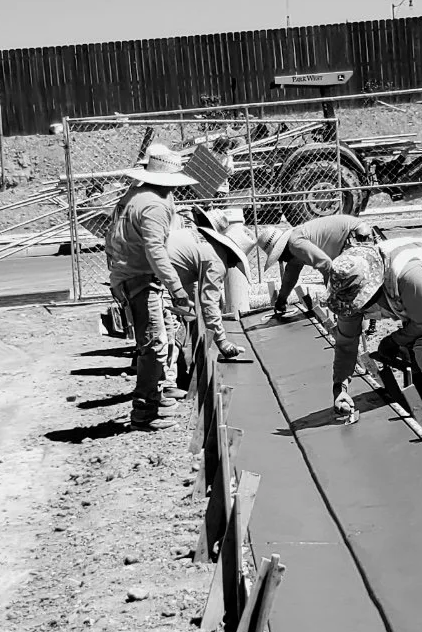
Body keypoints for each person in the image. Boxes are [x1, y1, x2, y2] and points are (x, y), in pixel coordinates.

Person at [326, 236, 422, 422]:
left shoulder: (409, 277)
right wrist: (340, 389)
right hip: (413, 292)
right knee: (411, 346)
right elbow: (346, 343)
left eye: (360, 302)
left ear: (374, 288)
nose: (356, 310)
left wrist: (392, 341)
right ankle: (421, 402)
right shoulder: (348, 292)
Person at [105, 147, 197, 430]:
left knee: (163, 334)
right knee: (154, 345)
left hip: (131, 275)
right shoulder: (154, 205)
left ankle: (158, 393)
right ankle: (144, 411)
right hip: (139, 279)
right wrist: (178, 290)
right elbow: (155, 250)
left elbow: (112, 236)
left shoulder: (135, 195)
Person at [166, 211, 254, 366]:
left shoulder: (200, 242)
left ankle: (153, 366)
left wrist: (194, 317)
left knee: (160, 323)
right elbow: (209, 303)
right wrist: (222, 342)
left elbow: (190, 292)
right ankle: (167, 382)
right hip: (154, 273)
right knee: (168, 329)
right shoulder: (217, 261)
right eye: (235, 262)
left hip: (144, 265)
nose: (233, 266)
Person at [268, 212, 382, 318]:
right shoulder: (295, 246)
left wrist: (332, 296)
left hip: (357, 236)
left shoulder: (295, 244)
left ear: (283, 251)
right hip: (354, 235)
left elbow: (326, 265)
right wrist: (281, 301)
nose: (282, 261)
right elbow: (290, 277)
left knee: (356, 289)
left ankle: (362, 324)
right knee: (356, 292)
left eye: (279, 257)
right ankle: (362, 321)